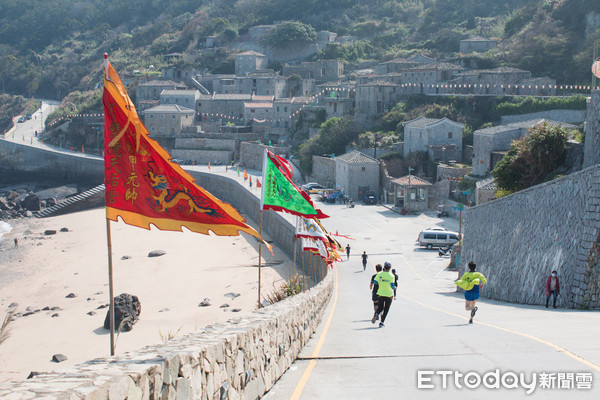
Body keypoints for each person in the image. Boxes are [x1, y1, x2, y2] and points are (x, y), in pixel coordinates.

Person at [371, 261, 396, 327]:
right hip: (389, 294)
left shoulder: (379, 274)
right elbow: (392, 286)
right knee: (386, 309)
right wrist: (394, 288)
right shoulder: (391, 276)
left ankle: (376, 314)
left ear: (384, 267)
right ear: (390, 268)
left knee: (380, 307)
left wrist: (381, 282)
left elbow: (375, 282)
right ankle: (382, 322)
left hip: (380, 293)